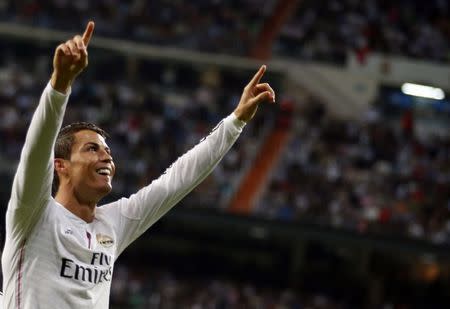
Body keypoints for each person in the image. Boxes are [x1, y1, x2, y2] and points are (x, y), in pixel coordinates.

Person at [1, 21, 275, 308]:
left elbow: (177, 181)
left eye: (108, 151)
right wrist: (60, 86)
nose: (106, 157)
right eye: (92, 149)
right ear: (61, 166)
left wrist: (236, 122)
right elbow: (36, 151)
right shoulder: (33, 214)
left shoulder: (112, 224)